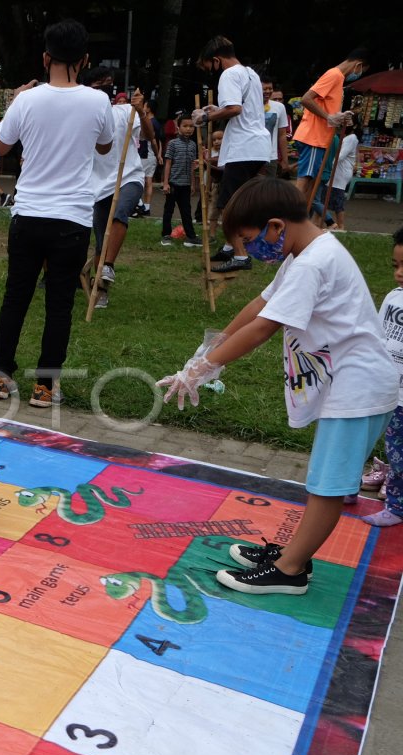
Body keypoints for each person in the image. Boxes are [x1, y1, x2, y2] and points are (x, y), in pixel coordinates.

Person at [159, 178, 396, 594]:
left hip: (359, 387)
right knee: (325, 478)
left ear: (274, 225)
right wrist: (204, 352)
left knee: (329, 485)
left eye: (249, 241)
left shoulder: (311, 263)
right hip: (349, 381)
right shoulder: (305, 251)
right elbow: (259, 305)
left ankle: (290, 571)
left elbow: (264, 328)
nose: (250, 251)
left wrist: (205, 368)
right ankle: (293, 555)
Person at [0, 19, 113, 408]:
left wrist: (15, 102)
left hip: (28, 214)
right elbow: (106, 148)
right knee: (60, 302)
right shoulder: (98, 101)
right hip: (72, 218)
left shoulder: (26, 100)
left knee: (16, 296)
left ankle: (1, 376)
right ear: (85, 59)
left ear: (45, 58)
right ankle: (45, 386)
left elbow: (1, 147)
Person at [192, 37, 270, 273]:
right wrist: (216, 110)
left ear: (217, 60)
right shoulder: (250, 73)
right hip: (258, 145)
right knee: (239, 199)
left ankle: (240, 254)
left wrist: (204, 118)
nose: (212, 73)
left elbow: (234, 108)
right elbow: (241, 108)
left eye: (210, 68)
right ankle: (228, 247)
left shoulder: (228, 74)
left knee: (228, 203)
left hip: (243, 147)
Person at [83, 69, 155, 310]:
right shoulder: (81, 117)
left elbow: (147, 134)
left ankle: (108, 266)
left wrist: (141, 112)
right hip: (97, 185)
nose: (104, 90)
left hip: (128, 176)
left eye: (107, 85)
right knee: (101, 237)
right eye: (98, 86)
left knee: (120, 212)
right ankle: (100, 287)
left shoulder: (124, 111)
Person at [360, 228, 403, 527]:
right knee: (385, 442)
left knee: (399, 449)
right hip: (385, 388)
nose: (399, 273)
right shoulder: (393, 297)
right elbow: (379, 335)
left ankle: (397, 506)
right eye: (395, 265)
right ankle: (382, 475)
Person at [294, 48, 369, 202]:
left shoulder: (338, 78)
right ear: (358, 65)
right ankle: (290, 218)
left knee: (311, 181)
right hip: (313, 137)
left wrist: (339, 118)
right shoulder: (334, 75)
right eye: (363, 70)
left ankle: (298, 217)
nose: (359, 74)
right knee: (305, 180)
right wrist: (328, 117)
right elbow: (306, 99)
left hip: (318, 137)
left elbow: (327, 110)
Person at [160, 114, 202, 247]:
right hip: (173, 183)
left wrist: (192, 184)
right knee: (169, 210)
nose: (188, 129)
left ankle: (190, 236)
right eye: (185, 126)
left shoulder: (193, 145)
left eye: (191, 126)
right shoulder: (172, 144)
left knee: (186, 211)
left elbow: (191, 166)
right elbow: (168, 163)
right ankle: (166, 235)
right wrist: (165, 183)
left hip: (186, 184)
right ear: (178, 128)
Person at [311, 122, 359, 231]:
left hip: (339, 174)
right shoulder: (341, 137)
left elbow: (339, 157)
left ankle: (339, 226)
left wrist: (327, 165)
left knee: (335, 199)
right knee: (323, 199)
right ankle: (316, 223)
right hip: (334, 172)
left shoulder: (351, 138)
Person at [262, 79, 291, 178]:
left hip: (271, 157)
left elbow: (282, 135)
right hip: (251, 156)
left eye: (270, 88)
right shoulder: (248, 105)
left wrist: (285, 160)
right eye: (264, 89)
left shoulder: (279, 107)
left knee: (269, 189)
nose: (268, 91)